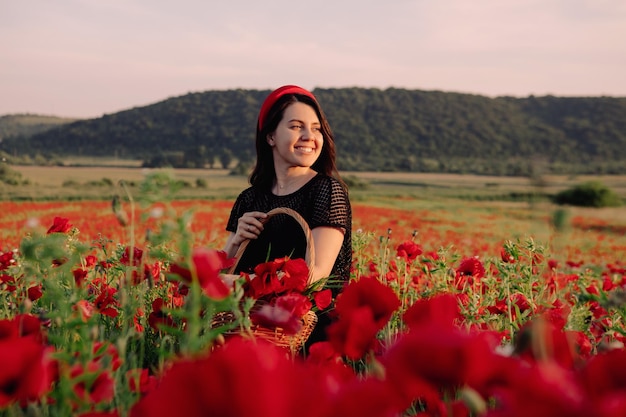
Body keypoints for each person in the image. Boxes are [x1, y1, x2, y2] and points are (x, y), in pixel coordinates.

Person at [223, 85, 352, 348]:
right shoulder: (249, 199)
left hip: (306, 334)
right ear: (270, 136)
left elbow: (316, 277)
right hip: (250, 331)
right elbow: (224, 271)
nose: (309, 136)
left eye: (316, 128)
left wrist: (240, 282)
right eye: (296, 127)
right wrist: (235, 242)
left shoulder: (327, 191)